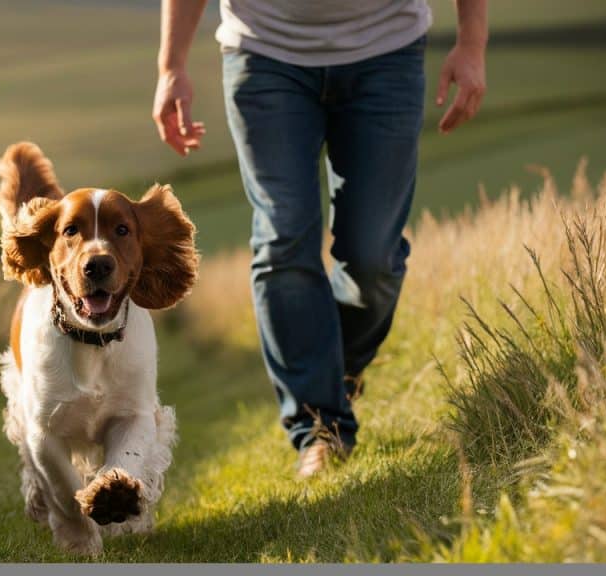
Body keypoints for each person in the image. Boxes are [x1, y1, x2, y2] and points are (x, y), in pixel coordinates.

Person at [152, 0, 488, 478]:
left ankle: (334, 371)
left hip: (385, 52)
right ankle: (318, 427)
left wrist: (471, 45)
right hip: (264, 54)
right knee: (283, 237)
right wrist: (171, 66)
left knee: (373, 258)